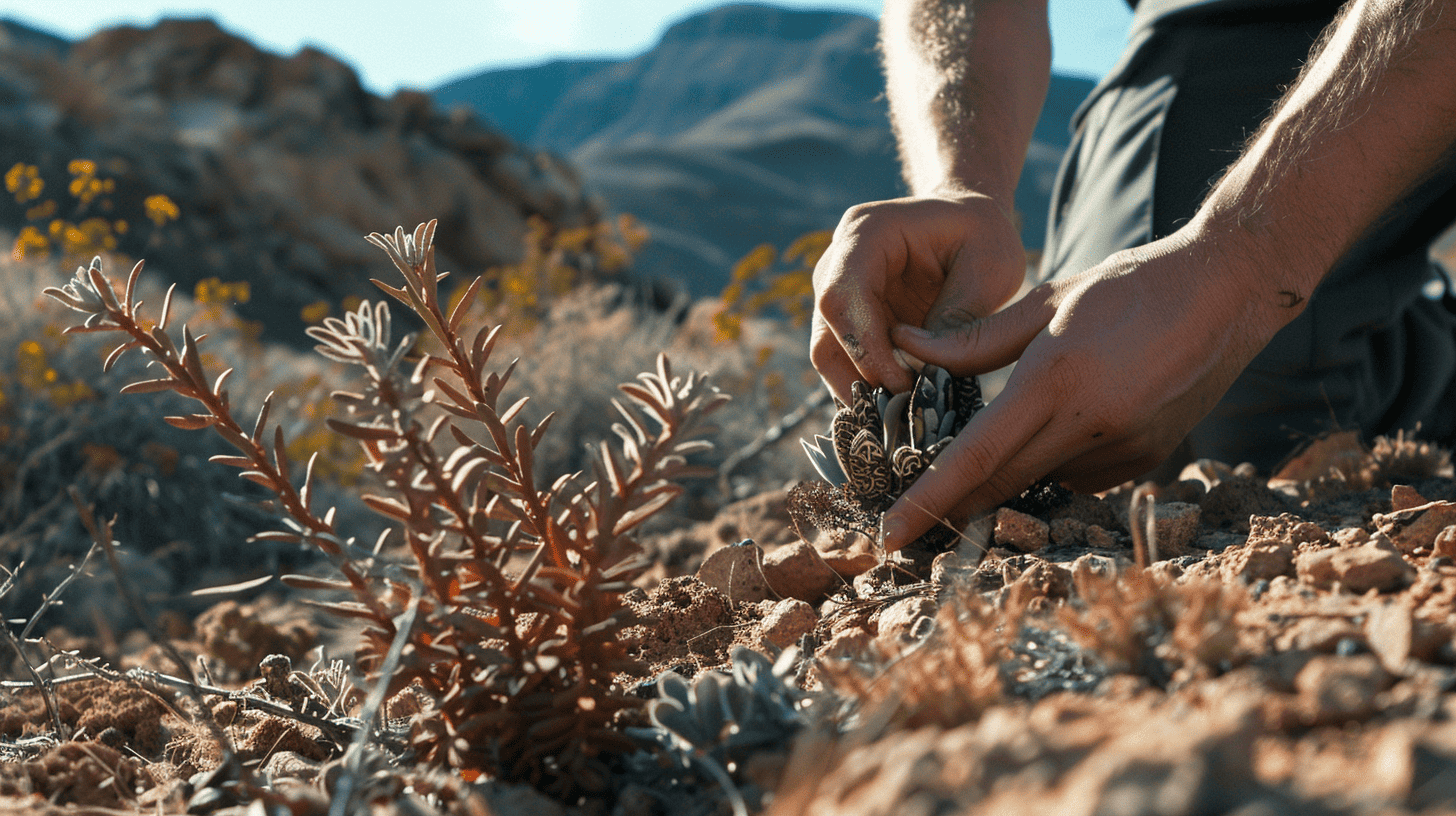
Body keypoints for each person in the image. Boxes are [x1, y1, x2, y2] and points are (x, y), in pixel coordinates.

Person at [810, 0, 1456, 552]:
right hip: (1242, 22)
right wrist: (962, 183)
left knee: (1199, 340)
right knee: (1128, 401)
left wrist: (1245, 261)